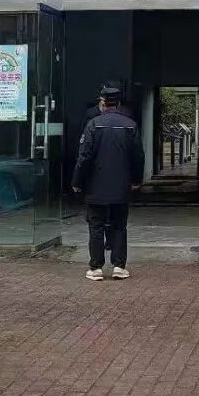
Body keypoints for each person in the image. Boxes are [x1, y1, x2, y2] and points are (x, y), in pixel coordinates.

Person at [72, 85, 144, 281]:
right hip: (121, 186)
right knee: (119, 225)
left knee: (96, 225)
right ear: (118, 104)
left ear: (103, 103)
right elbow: (138, 156)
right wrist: (136, 180)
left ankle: (96, 268)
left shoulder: (93, 125)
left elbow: (84, 157)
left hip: (96, 186)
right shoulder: (130, 125)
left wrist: (77, 181)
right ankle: (119, 266)